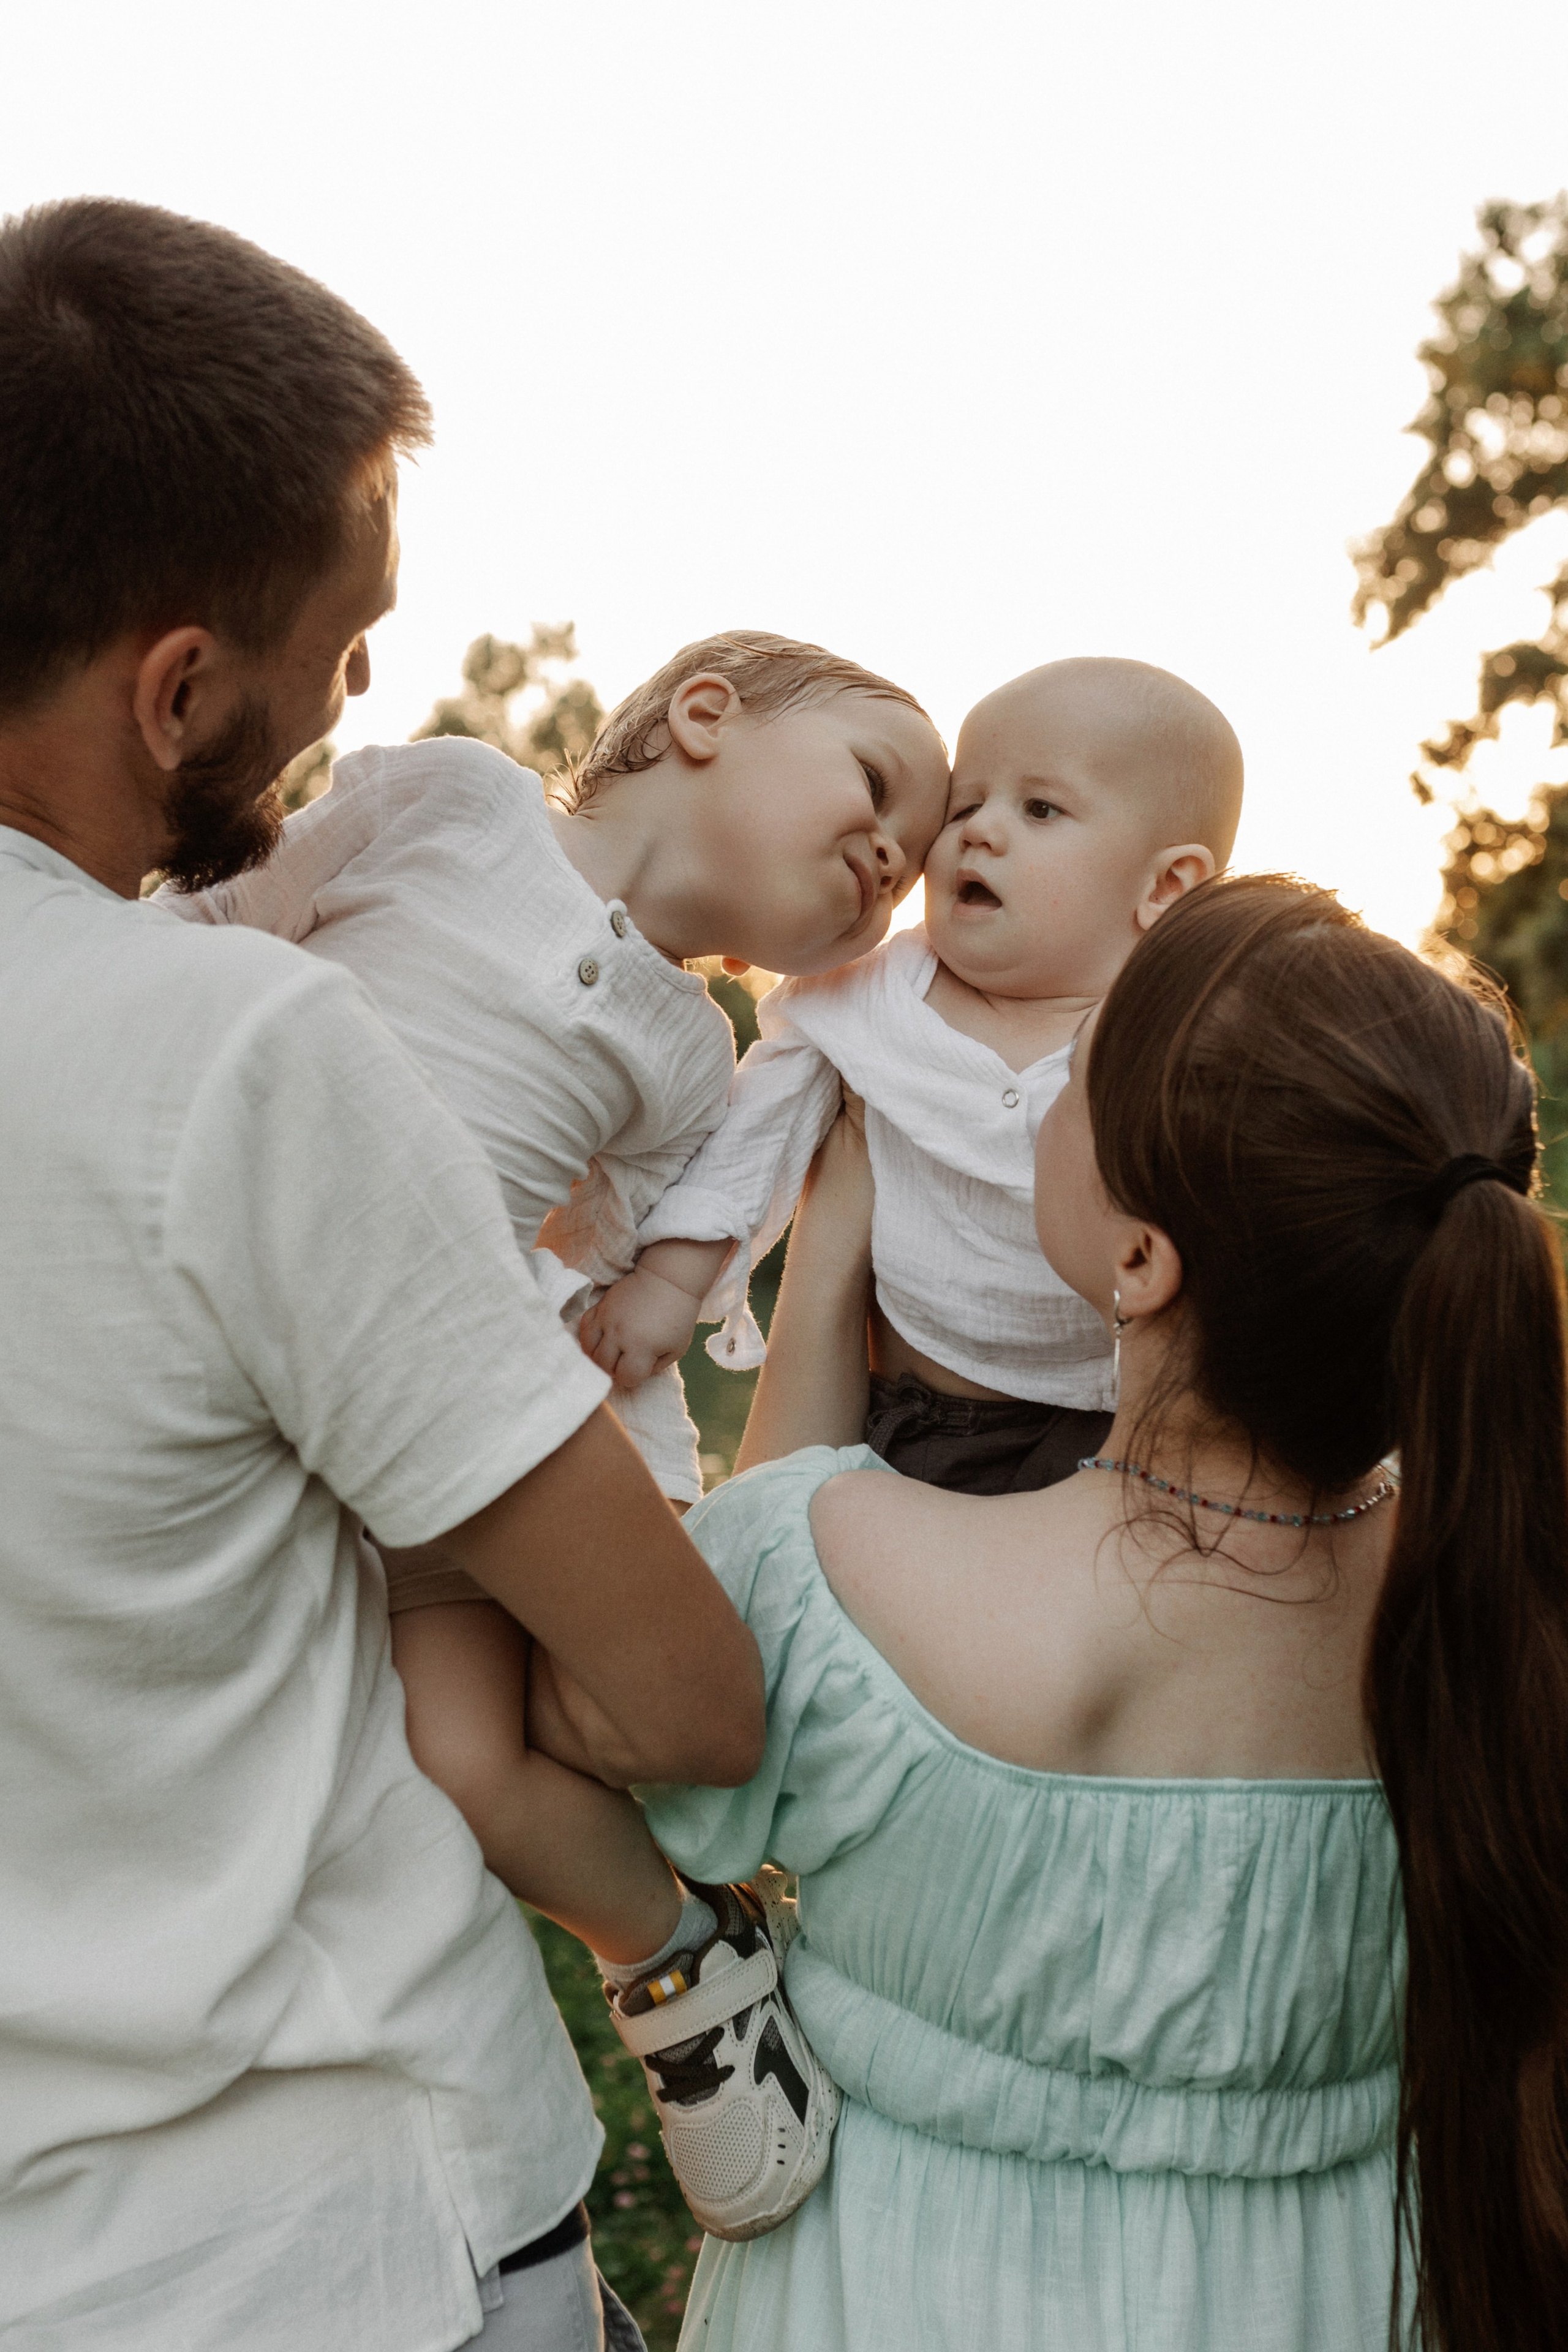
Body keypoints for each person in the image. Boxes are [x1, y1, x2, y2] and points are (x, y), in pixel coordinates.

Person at [0, 195, 766, 2352]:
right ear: (178, 687)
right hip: (336, 2243)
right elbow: (684, 1697)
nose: (361, 699)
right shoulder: (234, 1053)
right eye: (342, 650)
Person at [543, 873, 1568, 2351]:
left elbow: (694, 1720)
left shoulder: (840, 1560)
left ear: (1139, 1258)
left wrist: (830, 1256)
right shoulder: (1489, 1594)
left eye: (1078, 1072)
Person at [160, 631, 948, 2239]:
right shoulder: (457, 802)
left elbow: (617, 1251)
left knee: (467, 1760)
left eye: (908, 868)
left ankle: (679, 1963)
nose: (889, 860)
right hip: (252, 1341)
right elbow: (233, 920)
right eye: (876, 790)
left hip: (450, 1409)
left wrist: (653, 1319)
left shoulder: (694, 1050)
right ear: (704, 716)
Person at [586, 658, 1244, 1495]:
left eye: (1039, 808)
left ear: (1166, 886)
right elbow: (752, 1137)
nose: (978, 831)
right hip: (913, 1424)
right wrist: (669, 1281)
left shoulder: (1185, 1036)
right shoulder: (873, 993)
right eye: (965, 806)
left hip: (1122, 1427)